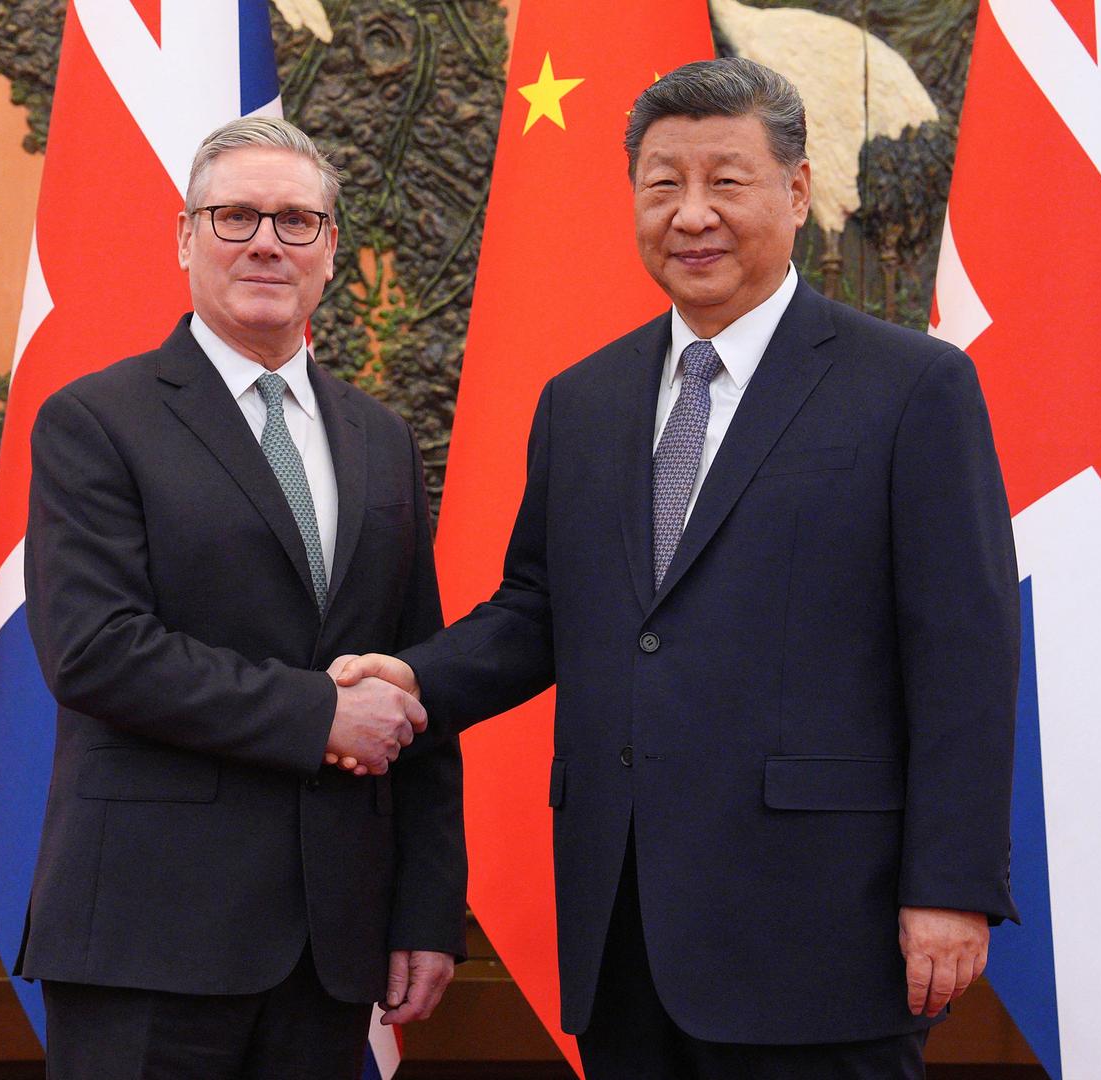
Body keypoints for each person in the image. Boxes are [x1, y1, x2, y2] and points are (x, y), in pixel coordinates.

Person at [335, 58, 1019, 1079]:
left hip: (824, 926)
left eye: (726, 180)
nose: (691, 214)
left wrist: (952, 885)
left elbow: (964, 651)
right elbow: (539, 609)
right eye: (663, 185)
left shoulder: (911, 387)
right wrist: (415, 681)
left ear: (795, 193)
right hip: (624, 928)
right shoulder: (585, 400)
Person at [16, 116, 466, 1080]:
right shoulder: (95, 420)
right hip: (149, 937)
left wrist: (428, 907)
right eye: (235, 217)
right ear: (185, 238)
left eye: (297, 221)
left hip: (332, 944)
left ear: (331, 252)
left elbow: (413, 674)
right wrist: (323, 715)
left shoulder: (382, 439)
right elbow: (95, 650)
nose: (267, 241)